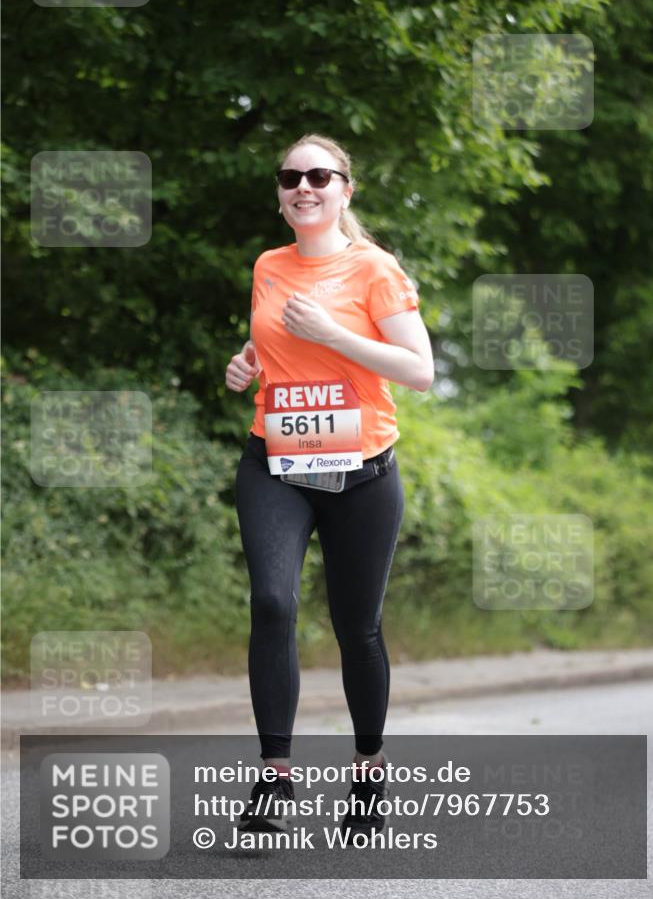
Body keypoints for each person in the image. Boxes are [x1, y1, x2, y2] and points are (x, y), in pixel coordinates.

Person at [225, 133, 434, 838]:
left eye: (319, 175)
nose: (302, 186)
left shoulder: (374, 270)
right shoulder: (268, 264)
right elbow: (276, 337)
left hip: (362, 474)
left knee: (357, 627)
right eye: (290, 176)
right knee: (271, 601)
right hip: (275, 464)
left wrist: (335, 336)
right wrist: (249, 359)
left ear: (346, 188)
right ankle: (275, 779)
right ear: (281, 194)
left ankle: (368, 771)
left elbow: (418, 370)